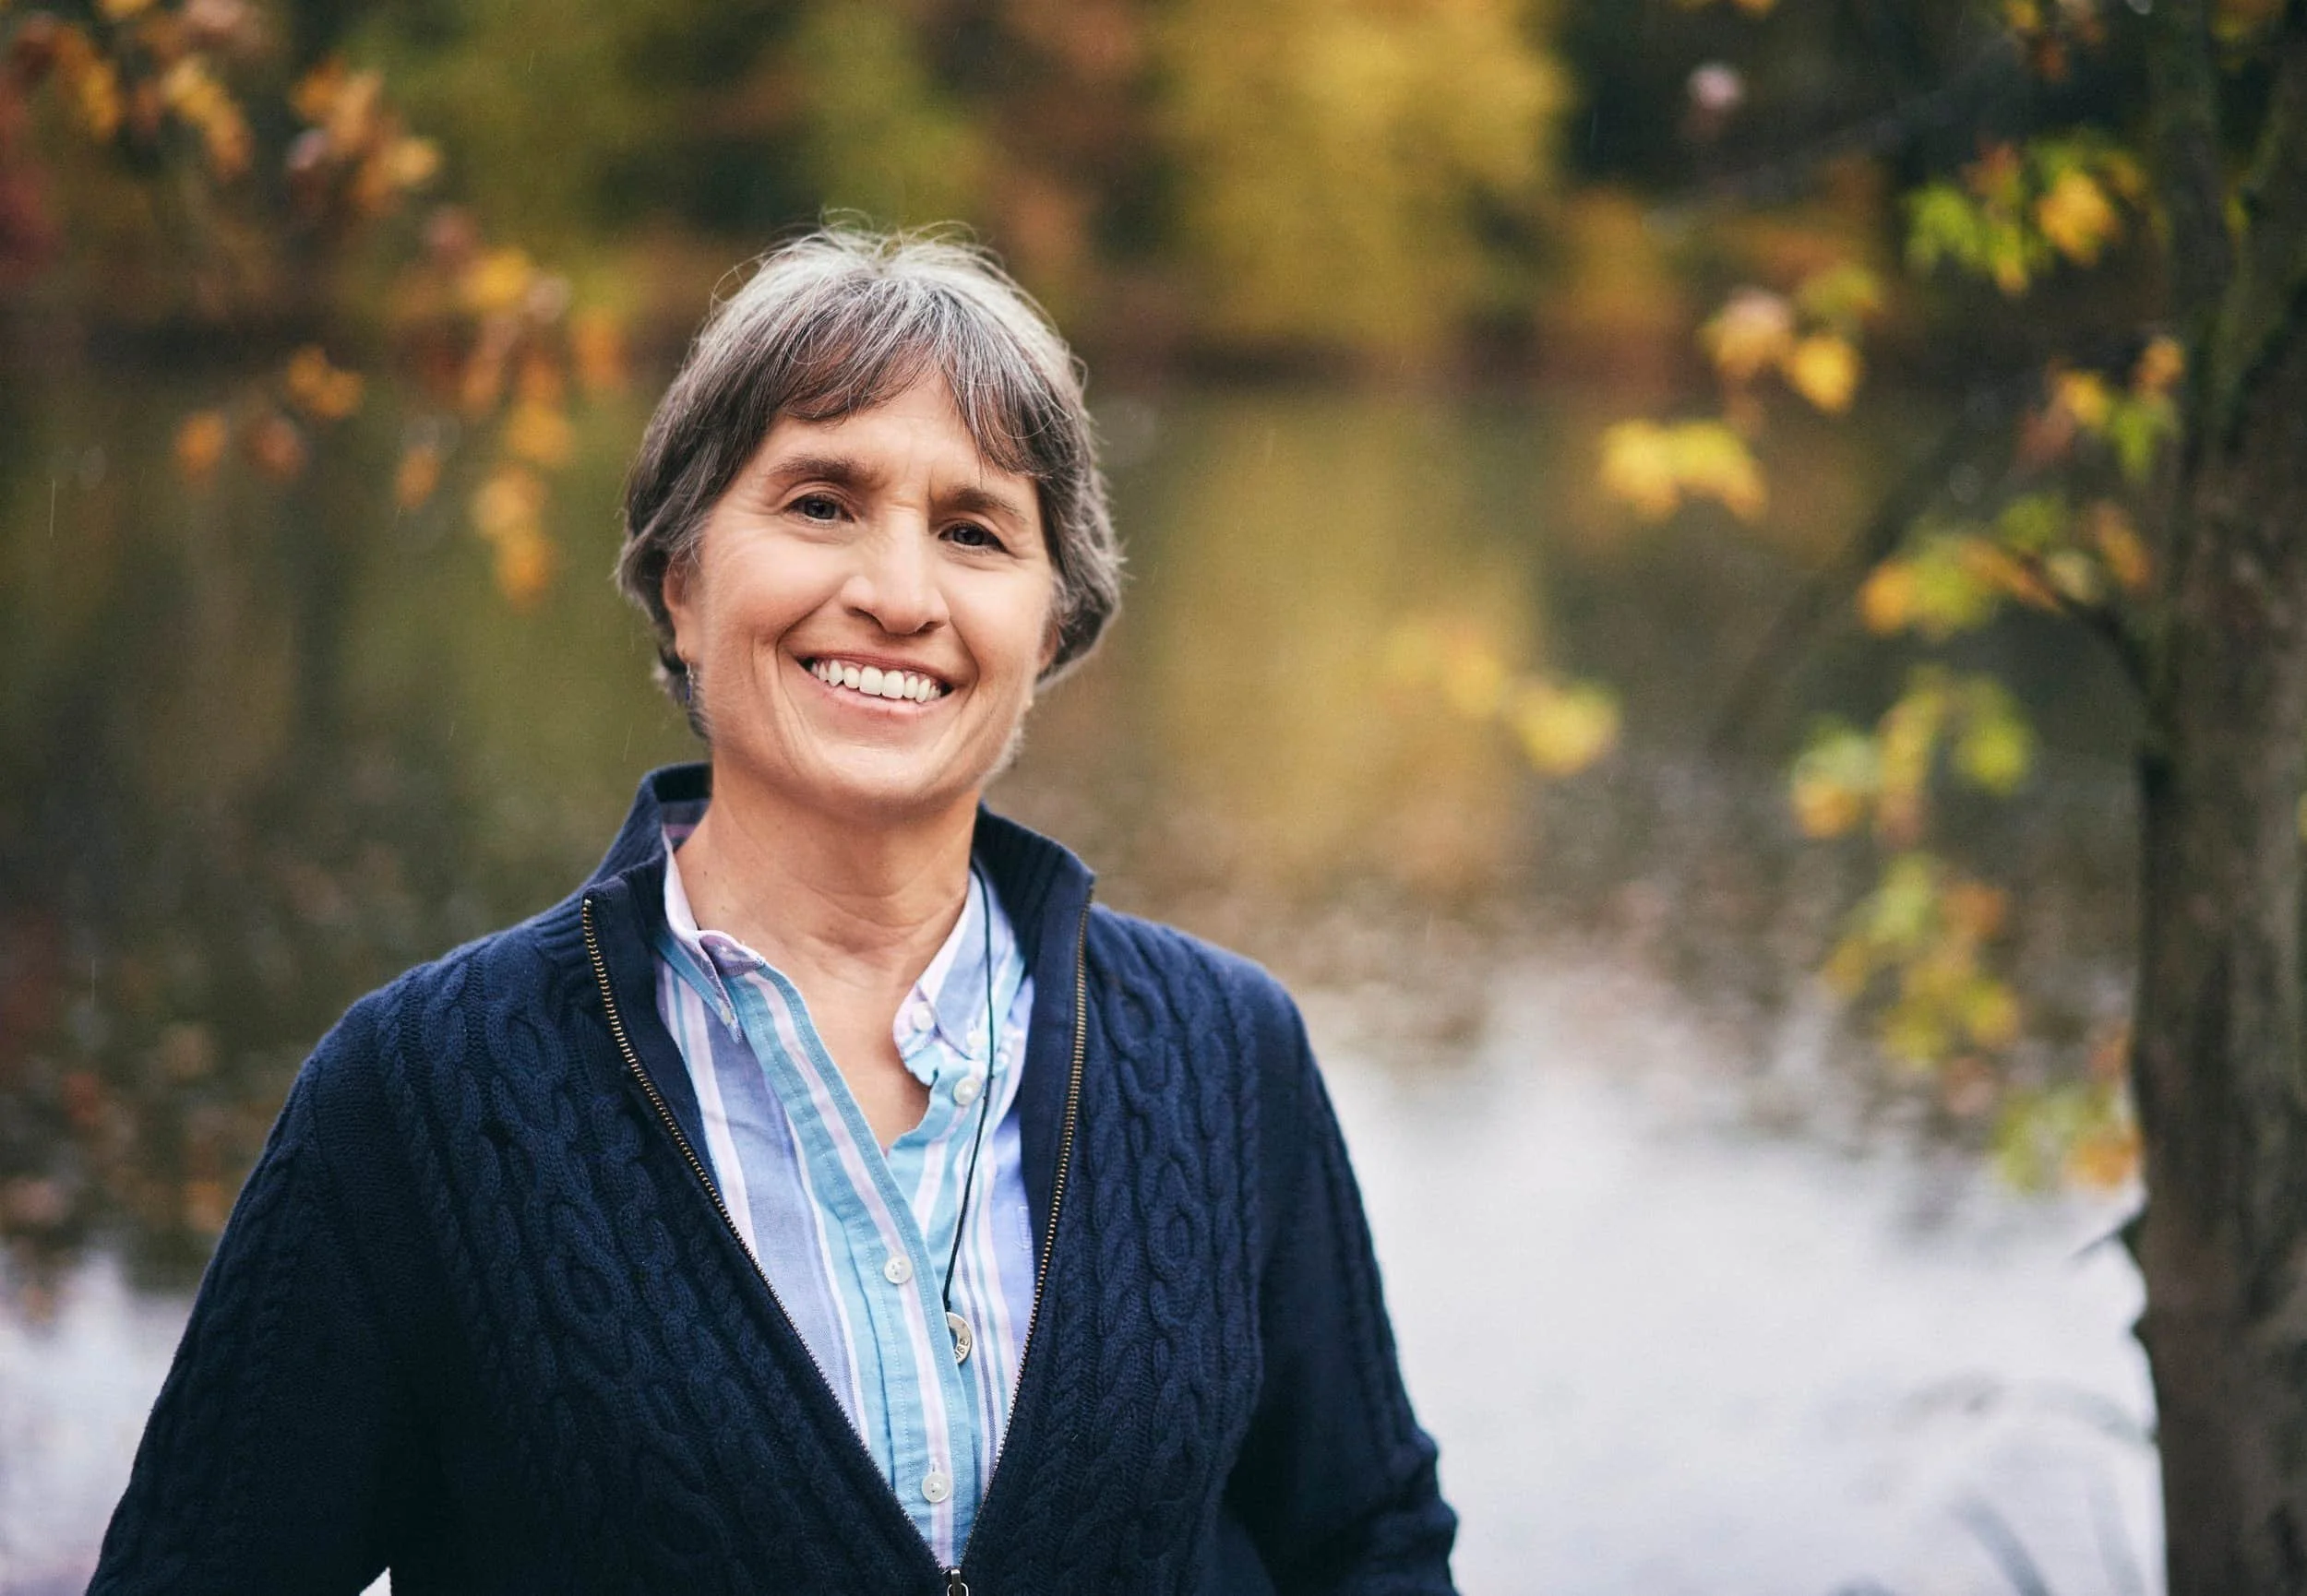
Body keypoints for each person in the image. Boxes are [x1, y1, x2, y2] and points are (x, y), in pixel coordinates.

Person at [90, 227, 1457, 1595]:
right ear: (684, 584)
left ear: (1047, 632)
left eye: (974, 530)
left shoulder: (1225, 1053)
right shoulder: (423, 1093)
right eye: (819, 503)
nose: (897, 593)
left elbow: (1365, 1541)